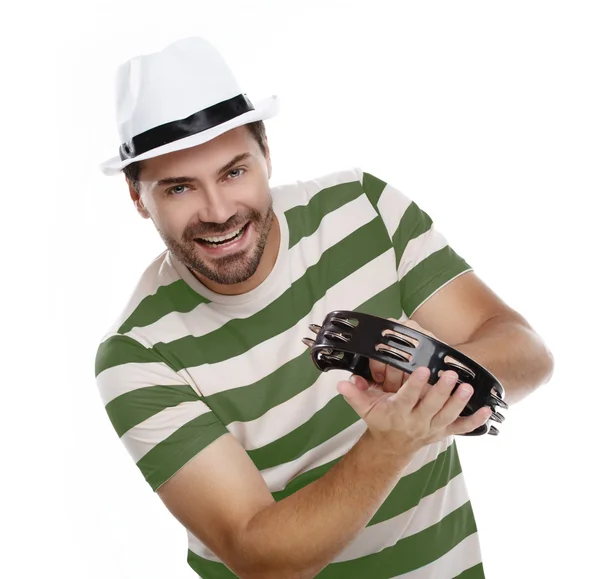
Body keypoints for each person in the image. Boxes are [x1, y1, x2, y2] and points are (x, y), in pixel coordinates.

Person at [94, 36, 554, 579]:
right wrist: (390, 441)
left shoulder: (363, 209)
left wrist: (425, 373)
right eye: (178, 189)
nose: (218, 211)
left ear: (266, 153)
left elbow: (526, 352)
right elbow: (260, 557)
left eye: (234, 172)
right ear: (136, 197)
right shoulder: (137, 355)